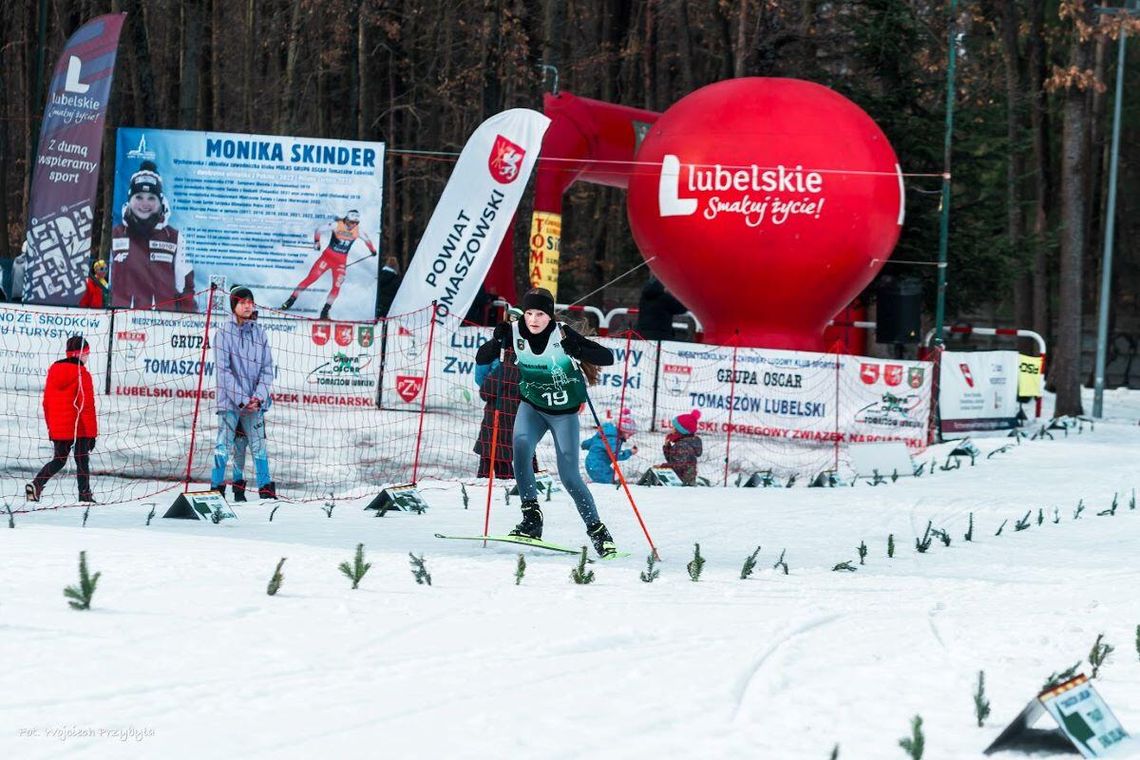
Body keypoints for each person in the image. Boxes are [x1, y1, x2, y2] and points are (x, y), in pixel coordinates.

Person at [475, 287, 619, 557]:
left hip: (563, 413)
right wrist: (496, 342)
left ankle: (599, 532)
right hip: (532, 407)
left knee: (569, 477)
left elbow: (607, 358)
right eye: (529, 313)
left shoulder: (561, 332)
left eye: (540, 314)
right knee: (519, 449)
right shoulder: (515, 330)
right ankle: (531, 519)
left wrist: (577, 348)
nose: (533, 319)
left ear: (549, 315)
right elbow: (482, 359)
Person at [211, 285, 276, 500]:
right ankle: (216, 489)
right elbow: (224, 372)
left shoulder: (260, 333)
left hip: (255, 403)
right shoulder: (223, 334)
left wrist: (258, 397)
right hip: (230, 403)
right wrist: (242, 400)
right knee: (224, 445)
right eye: (242, 302)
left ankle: (266, 491)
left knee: (258, 447)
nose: (248, 305)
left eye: (250, 301)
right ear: (234, 306)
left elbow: (267, 370)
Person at [110, 160, 195, 312]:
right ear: (130, 200)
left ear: (160, 201)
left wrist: (187, 321)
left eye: (151, 198)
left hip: (163, 323)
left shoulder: (174, 237)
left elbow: (185, 288)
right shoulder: (116, 235)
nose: (144, 204)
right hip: (121, 322)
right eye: (139, 197)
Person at [26, 335, 98, 503]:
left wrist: (52, 427)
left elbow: (46, 403)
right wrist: (92, 434)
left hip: (59, 426)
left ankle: (37, 484)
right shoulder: (82, 375)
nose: (88, 357)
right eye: (87, 353)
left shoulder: (54, 370)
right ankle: (85, 495)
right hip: (79, 427)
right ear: (80, 354)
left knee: (59, 460)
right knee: (82, 460)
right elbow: (87, 406)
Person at [281, 210, 377, 320]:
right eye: (351, 222)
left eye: (356, 223)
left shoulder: (358, 231)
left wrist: (373, 250)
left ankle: (325, 311)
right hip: (327, 258)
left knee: (336, 286)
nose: (353, 225)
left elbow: (368, 240)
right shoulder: (337, 225)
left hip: (340, 263)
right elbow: (319, 230)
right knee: (311, 278)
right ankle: (291, 299)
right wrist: (317, 242)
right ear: (346, 220)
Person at [581, 408, 638, 484]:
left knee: (611, 479)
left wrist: (584, 445)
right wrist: (630, 452)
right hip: (599, 466)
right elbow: (616, 455)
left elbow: (590, 442)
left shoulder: (604, 433)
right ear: (623, 431)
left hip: (591, 463)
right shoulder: (613, 440)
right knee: (610, 483)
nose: (630, 436)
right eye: (629, 434)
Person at [637, 276, 687, 340]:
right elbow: (681, 308)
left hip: (641, 333)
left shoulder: (645, 295)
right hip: (661, 334)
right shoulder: (665, 298)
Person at [663, 409, 703, 486]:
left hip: (681, 484)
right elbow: (674, 460)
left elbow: (677, 468)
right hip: (687, 481)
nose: (672, 430)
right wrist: (667, 447)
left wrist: (662, 467)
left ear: (681, 431)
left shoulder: (682, 446)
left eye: (674, 427)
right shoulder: (685, 443)